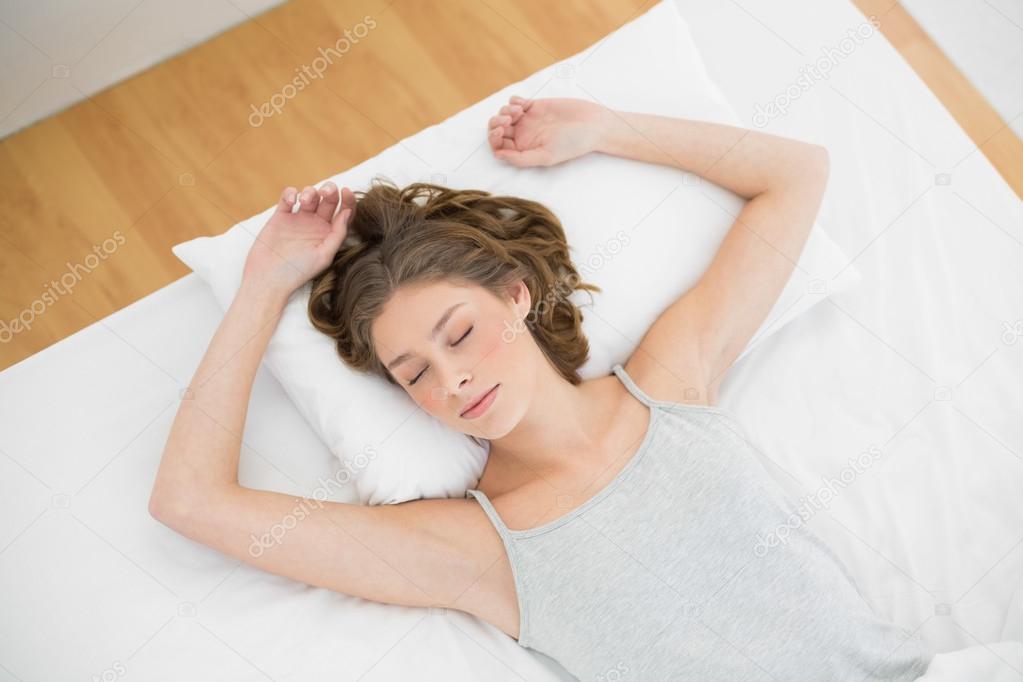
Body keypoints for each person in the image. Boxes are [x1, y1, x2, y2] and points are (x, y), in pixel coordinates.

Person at [149, 95, 934, 679]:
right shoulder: (478, 548)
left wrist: (603, 130)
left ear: (517, 294)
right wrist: (261, 284)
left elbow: (796, 173)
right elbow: (190, 501)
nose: (450, 378)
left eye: (457, 333)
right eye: (412, 372)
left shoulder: (669, 384)